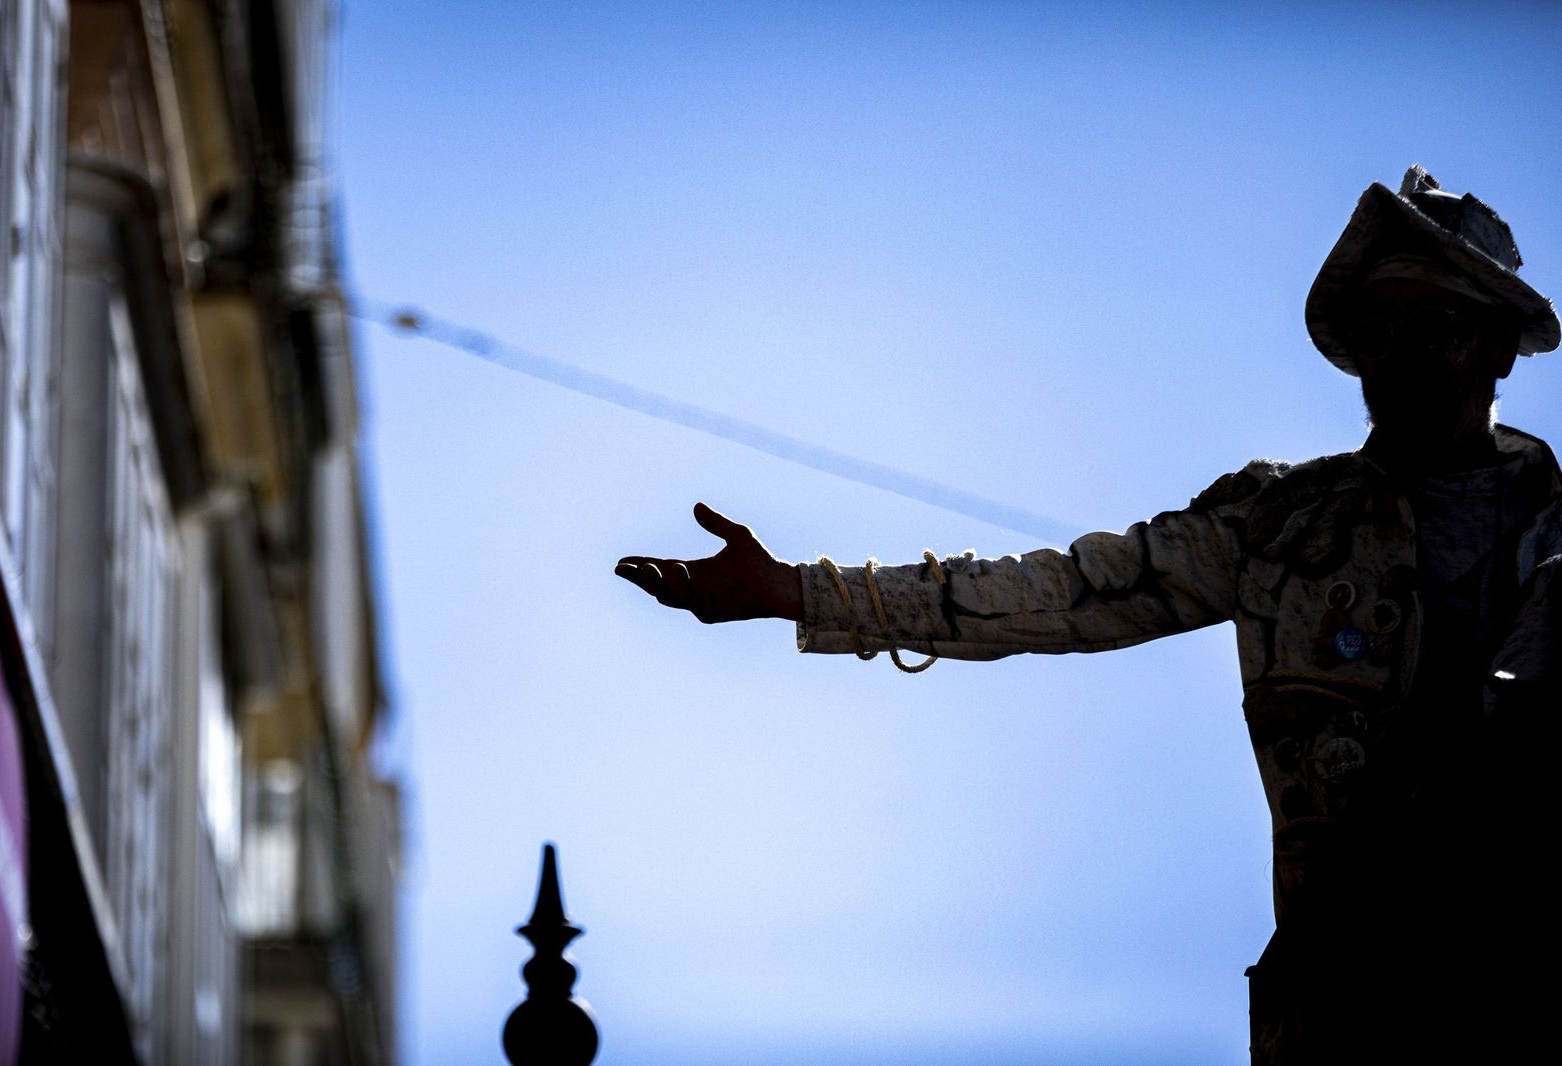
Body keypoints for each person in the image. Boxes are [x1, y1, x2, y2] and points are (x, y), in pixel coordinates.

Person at [615, 166, 1561, 1064]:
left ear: (1492, 346)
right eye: (1377, 331)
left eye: (1428, 326)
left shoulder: (1552, 534)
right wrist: (794, 591)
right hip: (1345, 1006)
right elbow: (1066, 591)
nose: (1396, 360)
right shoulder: (1283, 526)